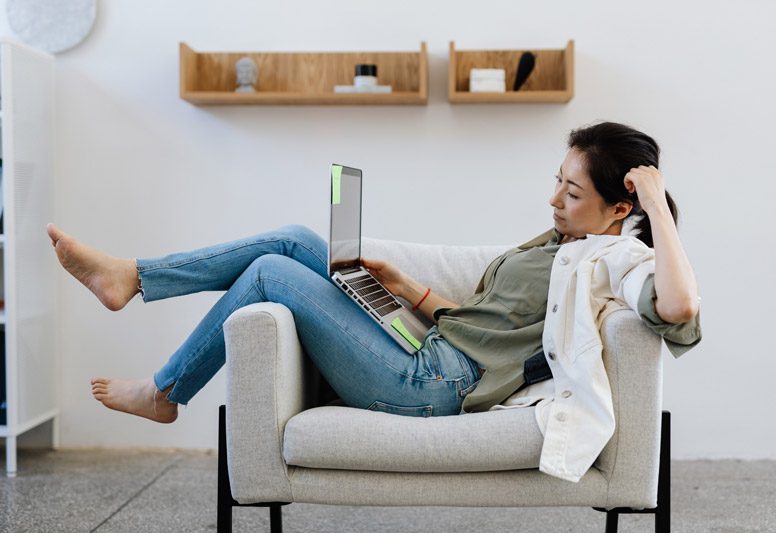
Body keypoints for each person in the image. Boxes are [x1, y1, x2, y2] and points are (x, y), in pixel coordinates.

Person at [47, 121, 701, 428]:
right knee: (296, 238)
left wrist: (655, 207)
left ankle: (166, 390)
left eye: (572, 192)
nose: (554, 199)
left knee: (273, 270)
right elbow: (481, 323)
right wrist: (400, 288)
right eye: (555, 181)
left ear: (619, 207)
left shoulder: (617, 258)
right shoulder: (559, 240)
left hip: (433, 384)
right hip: (426, 347)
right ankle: (132, 275)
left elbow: (678, 307)